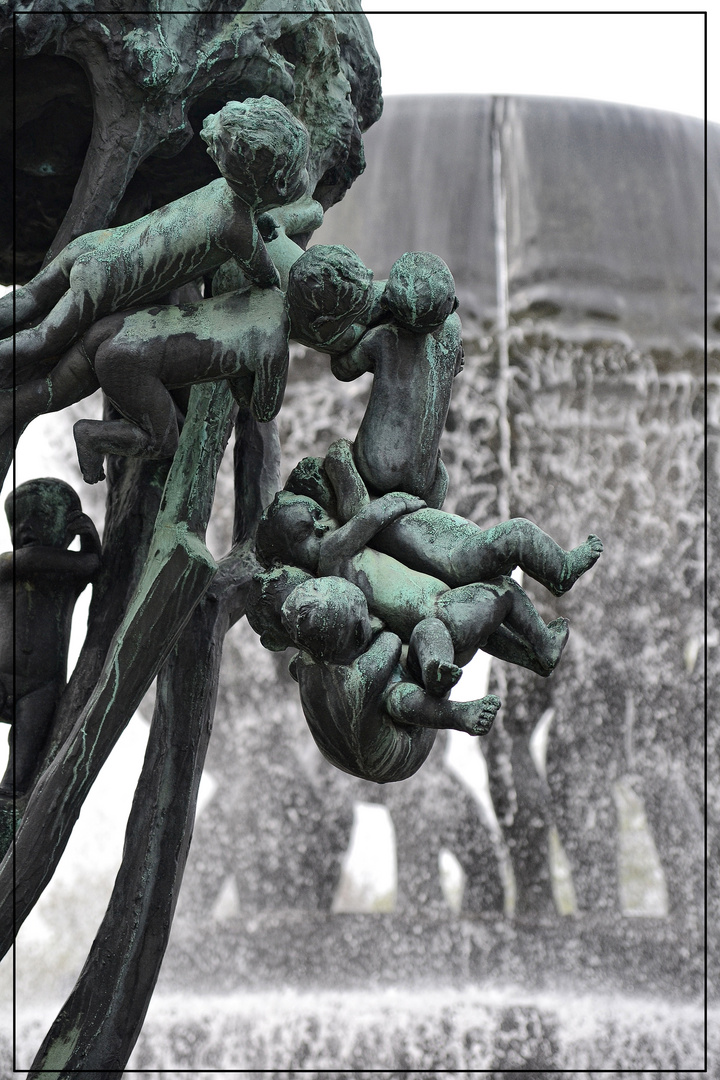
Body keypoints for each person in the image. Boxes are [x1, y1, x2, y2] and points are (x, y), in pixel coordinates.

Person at [0, 96, 310, 386]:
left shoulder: (220, 188)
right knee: (42, 339)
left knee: (30, 297)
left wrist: (262, 222)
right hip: (105, 281)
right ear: (277, 182)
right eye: (297, 174)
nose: (302, 179)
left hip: (98, 245)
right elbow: (269, 280)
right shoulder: (237, 229)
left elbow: (236, 219)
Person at [256, 489, 571, 682]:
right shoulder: (331, 554)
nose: (322, 525)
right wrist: (397, 502)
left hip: (439, 625)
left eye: (317, 513)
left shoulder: (333, 586)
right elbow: (368, 518)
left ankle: (531, 659)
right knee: (505, 589)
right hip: (443, 606)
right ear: (295, 558)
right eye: (306, 534)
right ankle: (545, 641)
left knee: (488, 627)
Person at [3, 282, 292, 484]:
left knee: (50, 391)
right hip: (134, 361)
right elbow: (263, 411)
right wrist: (272, 370)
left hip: (124, 325)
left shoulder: (263, 292)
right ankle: (91, 435)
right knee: (164, 442)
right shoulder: (274, 345)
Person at [286, 439, 603, 599]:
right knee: (519, 532)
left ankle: (539, 645)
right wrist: (337, 453)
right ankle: (560, 571)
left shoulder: (377, 524)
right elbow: (339, 459)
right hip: (458, 560)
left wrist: (436, 469)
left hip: (462, 554)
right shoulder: (359, 514)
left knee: (510, 594)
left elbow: (432, 505)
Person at [280, 576, 501, 785]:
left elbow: (297, 670)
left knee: (377, 698)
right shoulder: (365, 673)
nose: (372, 618)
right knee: (404, 680)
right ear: (359, 632)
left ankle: (435, 669)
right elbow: (391, 640)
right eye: (367, 617)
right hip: (400, 755)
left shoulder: (303, 664)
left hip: (341, 756)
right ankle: (455, 711)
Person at [330, 251, 463, 508]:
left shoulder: (384, 338)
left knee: (338, 451)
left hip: (376, 468)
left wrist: (357, 333)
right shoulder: (453, 331)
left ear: (388, 305)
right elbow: (454, 366)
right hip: (425, 480)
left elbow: (343, 370)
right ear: (453, 305)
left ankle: (355, 509)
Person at [0, 479, 101, 796]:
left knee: (25, 757)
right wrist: (88, 549)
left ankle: (10, 794)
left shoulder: (66, 580)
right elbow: (82, 564)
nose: (25, 527)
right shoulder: (8, 563)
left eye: (40, 516)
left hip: (42, 687)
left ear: (67, 528)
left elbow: (92, 568)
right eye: (15, 520)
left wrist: (90, 540)